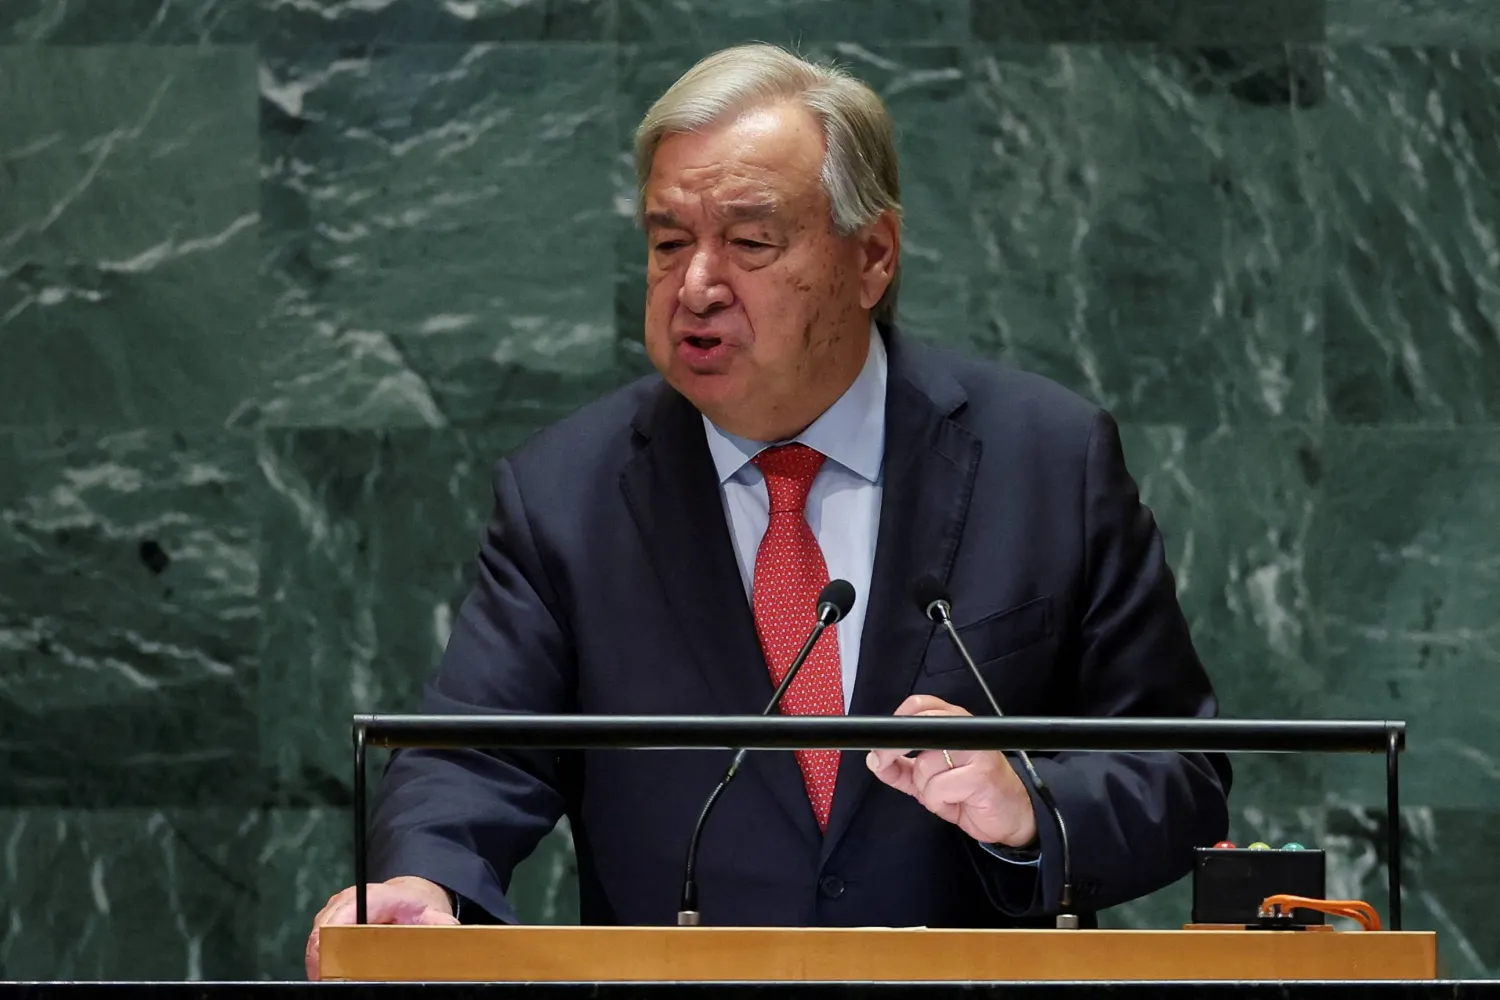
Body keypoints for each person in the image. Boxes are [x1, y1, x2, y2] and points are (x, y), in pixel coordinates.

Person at [305, 43, 1230, 979]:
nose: (697, 285)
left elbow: (1179, 768)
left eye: (749, 242)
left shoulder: (1045, 461)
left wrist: (1028, 804)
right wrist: (427, 884)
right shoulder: (566, 494)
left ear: (872, 257)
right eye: (669, 243)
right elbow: (473, 756)